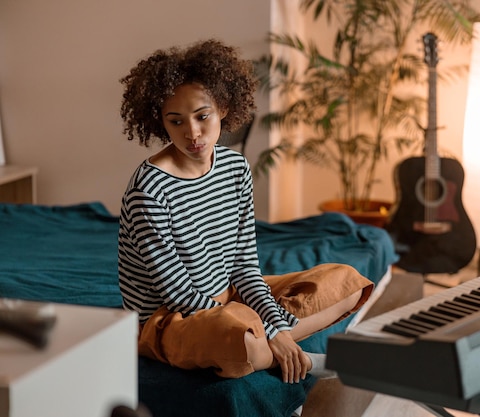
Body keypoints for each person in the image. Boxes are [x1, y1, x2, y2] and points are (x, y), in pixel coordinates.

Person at [117, 39, 374, 384]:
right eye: (176, 121)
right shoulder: (148, 191)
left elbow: (244, 265)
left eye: (202, 116)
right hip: (170, 319)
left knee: (348, 283)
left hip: (229, 294)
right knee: (238, 341)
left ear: (223, 107)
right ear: (160, 122)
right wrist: (270, 330)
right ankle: (300, 357)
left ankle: (267, 342)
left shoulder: (236, 168)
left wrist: (270, 326)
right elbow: (178, 295)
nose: (192, 133)